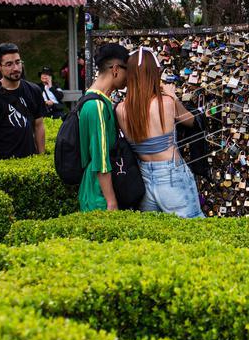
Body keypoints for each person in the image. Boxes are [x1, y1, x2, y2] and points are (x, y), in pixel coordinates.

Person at [116, 46, 203, 218]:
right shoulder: (166, 102)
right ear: (153, 73)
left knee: (153, 237)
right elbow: (191, 121)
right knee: (194, 231)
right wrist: (174, 97)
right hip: (172, 174)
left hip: (143, 177)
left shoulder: (120, 109)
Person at [77, 44, 130, 211]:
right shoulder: (96, 106)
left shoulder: (96, 99)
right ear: (115, 69)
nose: (129, 76)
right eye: (127, 69)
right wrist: (111, 202)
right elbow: (100, 160)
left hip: (97, 190)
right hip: (99, 196)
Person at [0, 43, 45, 160]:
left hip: (30, 161)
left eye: (18, 62)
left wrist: (41, 158)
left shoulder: (34, 90)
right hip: (3, 161)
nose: (15, 68)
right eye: (9, 64)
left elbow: (39, 125)